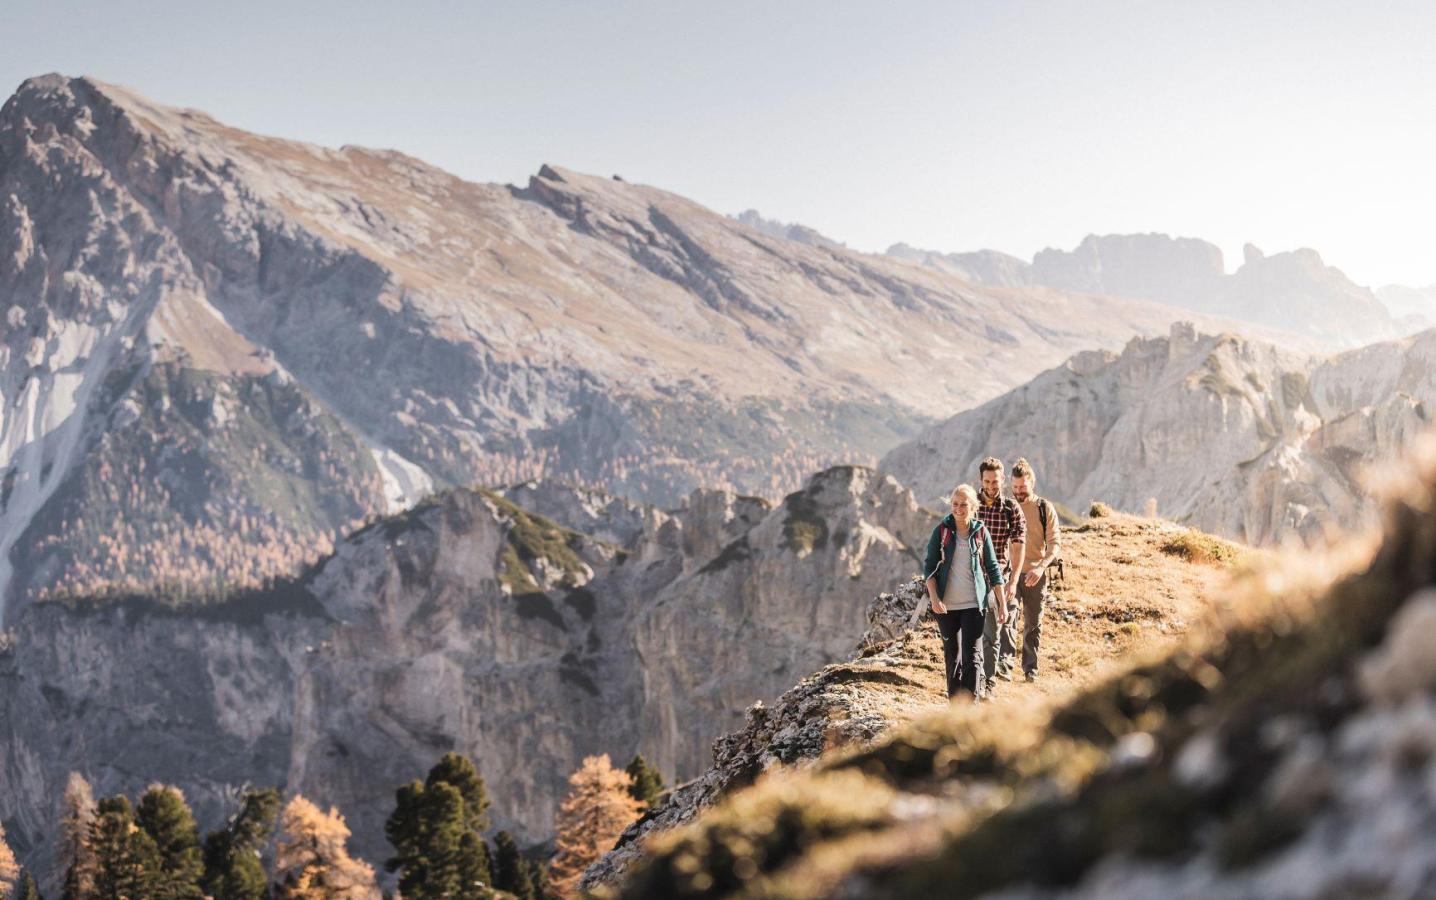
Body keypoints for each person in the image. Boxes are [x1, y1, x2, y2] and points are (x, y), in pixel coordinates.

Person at [924, 484, 1004, 701]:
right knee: (953, 657)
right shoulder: (941, 531)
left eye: (964, 504)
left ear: (973, 507)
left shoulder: (980, 532)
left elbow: (993, 568)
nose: (958, 509)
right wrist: (934, 599)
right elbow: (929, 568)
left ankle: (970, 706)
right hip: (946, 606)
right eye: (955, 504)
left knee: (973, 657)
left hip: (973, 605)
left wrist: (1002, 604)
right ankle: (955, 706)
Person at [975, 457, 1026, 694]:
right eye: (987, 481)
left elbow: (1018, 545)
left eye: (995, 481)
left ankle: (988, 685)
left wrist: (1013, 581)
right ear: (980, 480)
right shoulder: (970, 504)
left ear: (1003, 480)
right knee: (968, 633)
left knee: (991, 635)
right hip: (970, 577)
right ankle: (969, 682)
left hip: (997, 579)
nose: (991, 486)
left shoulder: (1010, 509)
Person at [1011, 458, 1061, 682]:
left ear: (1032, 483)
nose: (1018, 492)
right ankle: (1003, 666)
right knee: (1007, 618)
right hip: (1009, 574)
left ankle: (1030, 669)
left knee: (1033, 623)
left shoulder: (1044, 508)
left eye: (1022, 487)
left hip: (1035, 575)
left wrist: (1041, 568)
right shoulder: (1007, 507)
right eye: (1014, 487)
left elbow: (1055, 544)